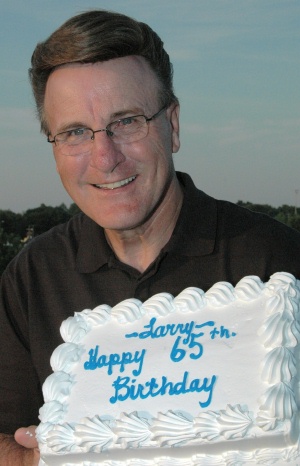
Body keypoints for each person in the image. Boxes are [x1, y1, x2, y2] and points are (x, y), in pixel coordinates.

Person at [1, 9, 300, 466]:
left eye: (127, 121)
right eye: (75, 132)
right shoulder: (33, 275)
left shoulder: (276, 259)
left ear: (173, 125)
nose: (105, 158)